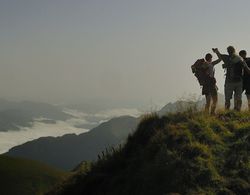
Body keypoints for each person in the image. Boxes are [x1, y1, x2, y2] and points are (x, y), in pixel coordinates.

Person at [213, 46, 250, 111]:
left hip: (229, 82)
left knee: (227, 99)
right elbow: (247, 69)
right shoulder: (240, 58)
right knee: (238, 99)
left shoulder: (227, 58)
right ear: (234, 50)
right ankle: (237, 111)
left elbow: (220, 56)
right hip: (239, 81)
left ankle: (227, 112)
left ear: (228, 51)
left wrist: (216, 51)